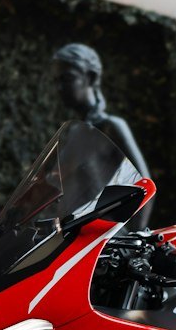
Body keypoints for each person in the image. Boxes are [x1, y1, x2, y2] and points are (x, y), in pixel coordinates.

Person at [53, 42, 154, 223]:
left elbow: (144, 186)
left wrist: (133, 238)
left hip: (100, 241)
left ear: (90, 78)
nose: (60, 88)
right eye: (57, 81)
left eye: (67, 78)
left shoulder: (111, 127)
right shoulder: (74, 131)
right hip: (71, 237)